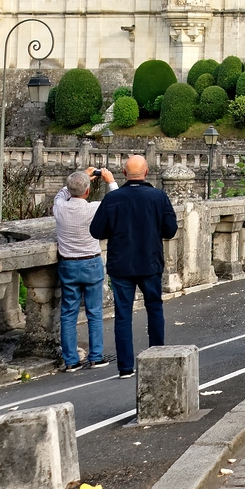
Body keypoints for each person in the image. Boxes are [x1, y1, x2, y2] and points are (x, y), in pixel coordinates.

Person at [88, 154, 178, 377]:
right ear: (146, 173)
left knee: (123, 315)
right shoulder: (158, 197)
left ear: (124, 174)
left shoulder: (113, 199)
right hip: (150, 261)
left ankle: (125, 367)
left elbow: (96, 231)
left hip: (122, 263)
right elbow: (170, 230)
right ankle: (157, 356)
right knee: (154, 308)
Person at [54, 166, 115, 371]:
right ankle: (96, 356)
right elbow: (116, 201)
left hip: (68, 263)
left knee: (68, 313)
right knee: (94, 311)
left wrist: (80, 177)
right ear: (88, 191)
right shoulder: (93, 208)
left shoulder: (60, 207)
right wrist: (109, 180)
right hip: (91, 261)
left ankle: (71, 360)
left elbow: (62, 193)